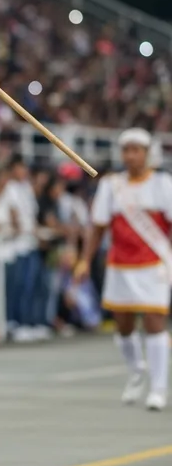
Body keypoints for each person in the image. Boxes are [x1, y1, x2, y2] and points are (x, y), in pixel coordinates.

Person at [78, 128, 172, 410]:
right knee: (124, 326)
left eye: (136, 150)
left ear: (147, 153)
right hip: (120, 265)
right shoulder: (111, 185)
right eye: (126, 150)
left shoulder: (163, 184)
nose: (131, 156)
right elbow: (97, 227)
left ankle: (158, 387)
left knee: (155, 323)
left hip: (153, 264)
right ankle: (136, 371)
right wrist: (85, 259)